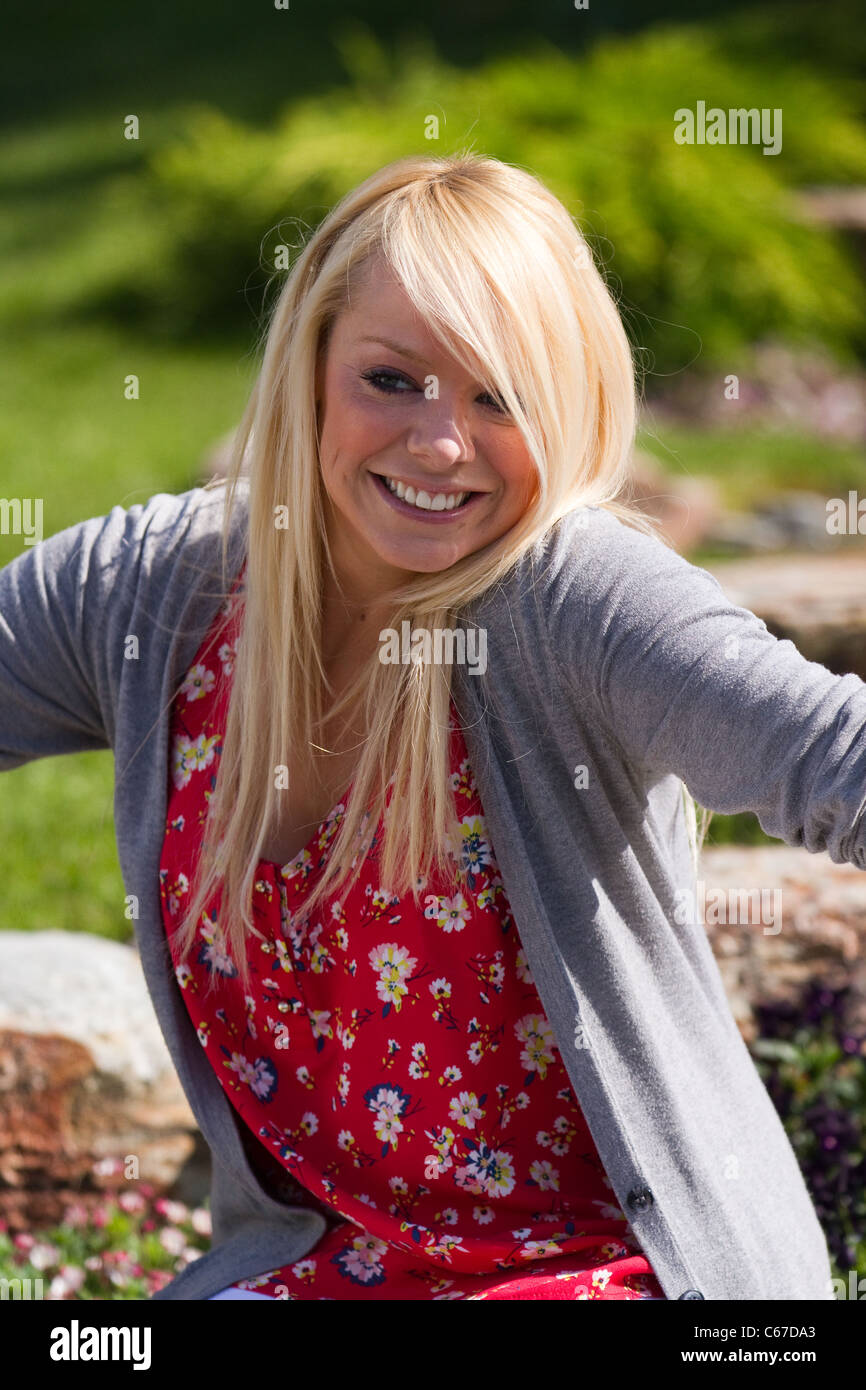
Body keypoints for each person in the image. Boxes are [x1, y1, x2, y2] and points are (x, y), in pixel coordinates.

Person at [2, 152, 863, 1301]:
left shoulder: (577, 602)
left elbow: (837, 759)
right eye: (393, 379)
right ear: (310, 366)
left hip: (618, 1271)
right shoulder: (161, 593)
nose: (439, 442)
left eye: (497, 396)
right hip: (325, 1272)